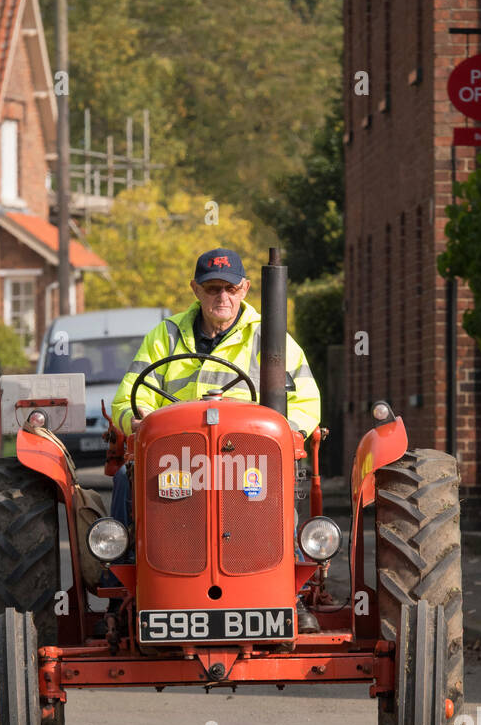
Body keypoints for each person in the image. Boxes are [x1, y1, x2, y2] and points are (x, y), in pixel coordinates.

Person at [107, 247, 322, 632]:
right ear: (195, 289)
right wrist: (135, 423)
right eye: (211, 289)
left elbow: (306, 400)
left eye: (229, 288)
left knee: (279, 481)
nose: (221, 297)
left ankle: (290, 593)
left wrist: (294, 432)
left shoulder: (269, 337)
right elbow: (127, 399)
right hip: (178, 461)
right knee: (128, 477)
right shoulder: (166, 336)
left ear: (245, 288)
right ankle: (124, 587)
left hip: (246, 461)